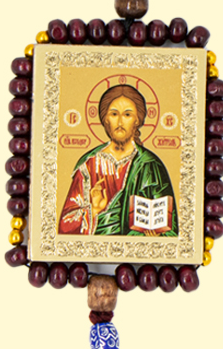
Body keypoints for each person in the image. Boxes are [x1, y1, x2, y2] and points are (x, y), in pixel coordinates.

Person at [57, 84, 177, 236]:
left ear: (137, 120)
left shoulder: (150, 164)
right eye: (114, 114)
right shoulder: (89, 164)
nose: (120, 122)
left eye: (127, 115)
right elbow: (65, 226)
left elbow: (170, 228)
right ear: (105, 119)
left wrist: (156, 233)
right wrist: (93, 210)